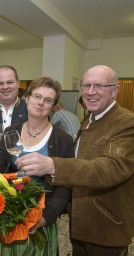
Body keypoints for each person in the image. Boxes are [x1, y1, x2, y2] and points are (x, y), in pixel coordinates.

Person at [17, 65, 134, 256]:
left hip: (106, 226)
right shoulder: (90, 119)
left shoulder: (127, 122)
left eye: (99, 86)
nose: (90, 92)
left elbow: (110, 168)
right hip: (81, 224)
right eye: (86, 86)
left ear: (115, 90)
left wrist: (53, 165)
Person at [0, 76, 74, 255]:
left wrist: (46, 217)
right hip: (10, 216)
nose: (40, 103)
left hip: (39, 217)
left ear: (54, 105)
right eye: (37, 96)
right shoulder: (12, 131)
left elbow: (65, 187)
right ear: (27, 97)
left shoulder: (62, 139)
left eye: (48, 100)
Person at [0, 65, 28, 154]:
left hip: (22, 166)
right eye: (0, 83)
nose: (5, 87)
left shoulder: (30, 111)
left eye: (10, 82)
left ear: (18, 83)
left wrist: (10, 141)